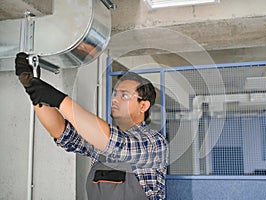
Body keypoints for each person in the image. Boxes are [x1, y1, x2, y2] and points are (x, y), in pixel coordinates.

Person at [15, 52, 168, 200]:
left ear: (143, 106)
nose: (115, 99)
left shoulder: (154, 142)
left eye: (124, 95)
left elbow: (114, 143)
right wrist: (34, 91)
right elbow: (63, 133)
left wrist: (59, 99)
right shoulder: (99, 138)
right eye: (115, 93)